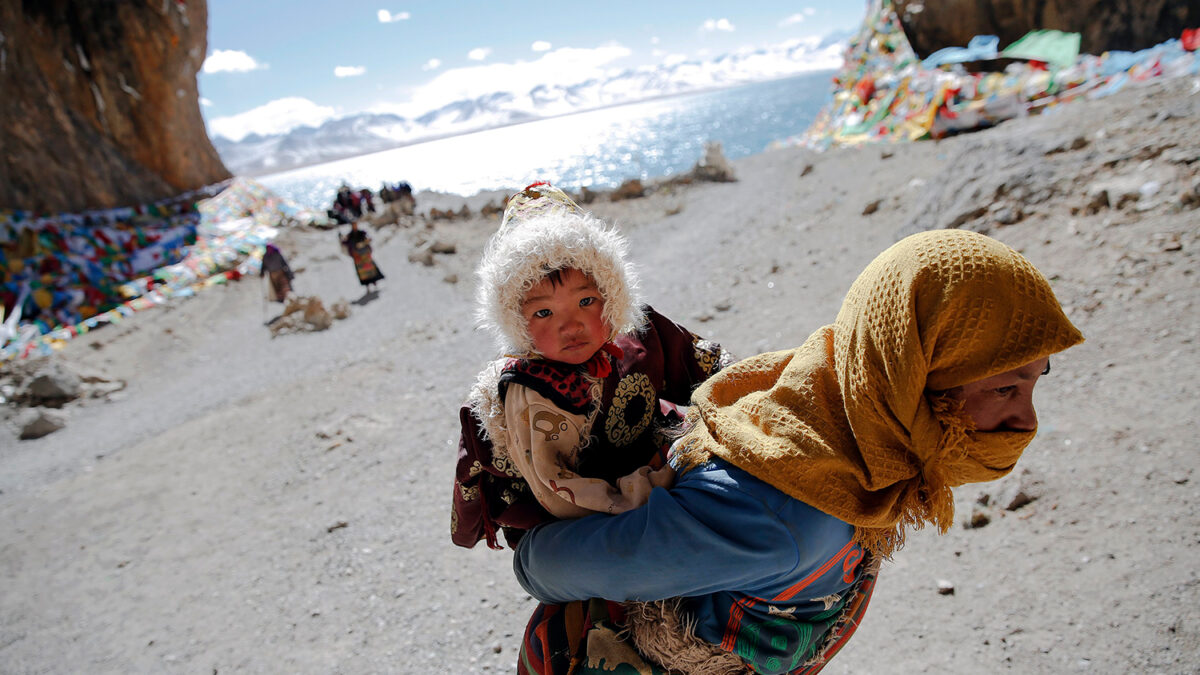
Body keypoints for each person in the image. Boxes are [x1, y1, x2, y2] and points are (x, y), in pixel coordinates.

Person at [512, 229, 1085, 674]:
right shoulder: (788, 505)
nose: (1025, 420)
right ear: (909, 373)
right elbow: (549, 568)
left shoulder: (830, 391)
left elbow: (544, 566)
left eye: (1035, 381)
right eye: (1005, 388)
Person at [451, 181, 731, 551]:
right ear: (517, 323)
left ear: (612, 294)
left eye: (586, 300)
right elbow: (558, 490)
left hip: (658, 474)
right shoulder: (528, 390)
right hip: (574, 521)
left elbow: (708, 366)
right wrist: (662, 489)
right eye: (544, 312)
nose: (571, 325)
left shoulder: (637, 331)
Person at [340, 221, 384, 292]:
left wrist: (365, 244)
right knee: (363, 272)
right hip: (358, 257)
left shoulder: (361, 233)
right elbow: (346, 243)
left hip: (365, 254)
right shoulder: (350, 236)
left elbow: (368, 239)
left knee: (370, 269)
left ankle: (374, 283)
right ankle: (367, 286)